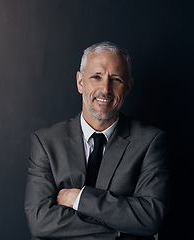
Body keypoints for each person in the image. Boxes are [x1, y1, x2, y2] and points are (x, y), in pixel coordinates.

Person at [24, 41, 170, 240]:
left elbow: (150, 217)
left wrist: (78, 198)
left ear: (128, 87)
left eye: (116, 79)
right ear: (80, 82)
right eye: (96, 77)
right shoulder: (46, 142)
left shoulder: (150, 142)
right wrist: (120, 229)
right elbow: (40, 222)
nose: (106, 88)